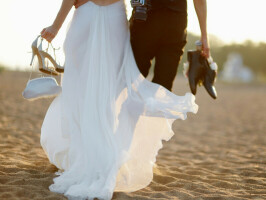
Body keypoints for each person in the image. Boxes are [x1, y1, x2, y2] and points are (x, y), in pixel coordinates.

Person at [39, 0, 198, 199]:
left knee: (99, 89)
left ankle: (104, 151)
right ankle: (103, 151)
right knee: (101, 89)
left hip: (104, 13)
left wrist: (57, 25)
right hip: (110, 13)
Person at [130, 0, 210, 91]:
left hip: (148, 21)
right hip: (171, 24)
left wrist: (204, 35)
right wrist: (204, 35)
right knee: (162, 88)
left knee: (132, 84)